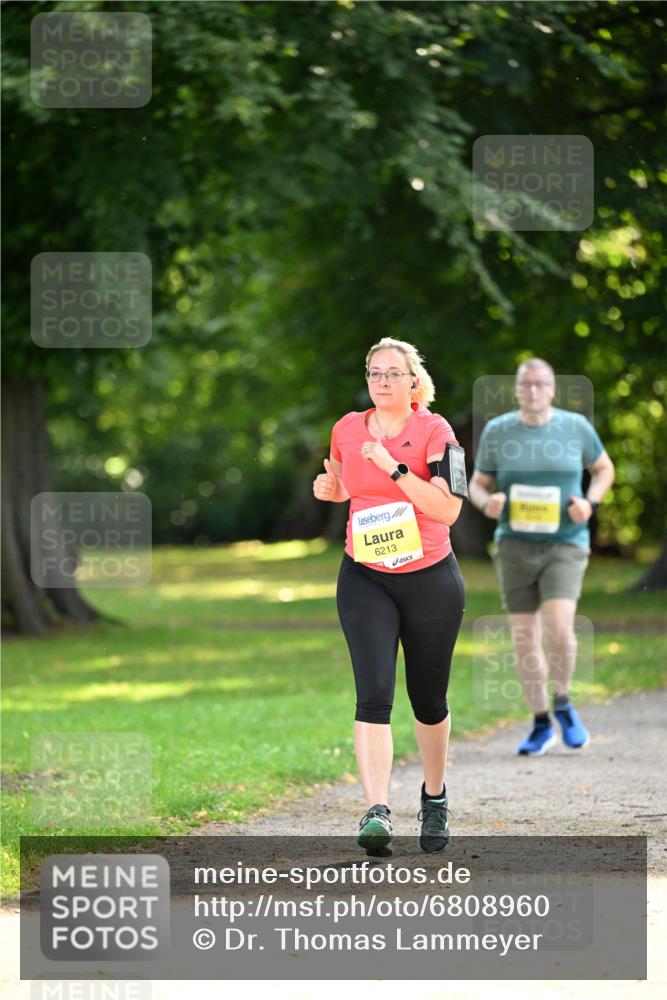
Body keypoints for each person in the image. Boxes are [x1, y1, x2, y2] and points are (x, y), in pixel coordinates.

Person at [313, 338, 466, 856]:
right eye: (374, 373)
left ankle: (435, 796)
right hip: (365, 575)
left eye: (392, 374)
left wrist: (394, 468)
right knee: (373, 692)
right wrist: (330, 491)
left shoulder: (436, 431)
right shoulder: (346, 428)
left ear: (413, 382)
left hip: (430, 578)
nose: (381, 382)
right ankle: (376, 810)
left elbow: (448, 511)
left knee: (428, 700)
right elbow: (343, 486)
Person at [469, 358, 615, 756]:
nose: (533, 391)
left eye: (540, 384)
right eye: (526, 384)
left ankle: (563, 702)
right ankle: (539, 723)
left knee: (557, 623)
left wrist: (589, 503)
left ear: (552, 388)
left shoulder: (574, 428)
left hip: (565, 543)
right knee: (523, 637)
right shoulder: (498, 432)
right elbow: (478, 484)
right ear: (517, 389)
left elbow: (604, 469)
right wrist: (488, 503)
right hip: (514, 545)